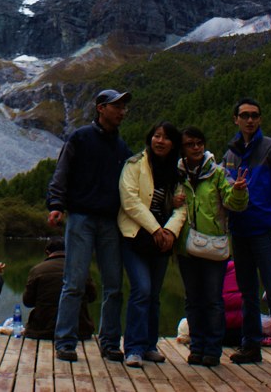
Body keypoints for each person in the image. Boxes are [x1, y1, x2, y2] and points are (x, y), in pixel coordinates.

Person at [47, 88, 133, 363]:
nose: (122, 111)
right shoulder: (80, 138)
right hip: (81, 218)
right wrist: (56, 205)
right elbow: (62, 171)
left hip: (110, 221)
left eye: (124, 107)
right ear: (100, 108)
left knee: (114, 285)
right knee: (74, 283)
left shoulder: (122, 148)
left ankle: (109, 342)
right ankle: (65, 342)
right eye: (116, 106)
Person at [223, 97, 271, 373]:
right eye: (245, 115)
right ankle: (251, 345)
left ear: (260, 119)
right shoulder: (230, 155)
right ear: (236, 119)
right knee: (247, 293)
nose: (250, 120)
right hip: (240, 232)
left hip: (266, 232)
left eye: (254, 115)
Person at [176, 126, 248, 367]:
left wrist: (238, 192)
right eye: (190, 144)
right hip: (186, 247)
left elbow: (233, 203)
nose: (196, 148)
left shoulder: (218, 173)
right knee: (193, 299)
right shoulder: (177, 174)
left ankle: (213, 349)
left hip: (214, 246)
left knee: (213, 300)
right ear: (182, 148)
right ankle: (196, 347)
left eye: (199, 143)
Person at [118, 121, 187, 367]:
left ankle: (149, 345)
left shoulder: (178, 172)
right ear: (150, 138)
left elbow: (182, 207)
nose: (160, 141)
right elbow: (130, 201)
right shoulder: (134, 164)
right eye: (157, 136)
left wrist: (169, 232)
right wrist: (156, 228)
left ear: (173, 143)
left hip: (161, 240)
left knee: (154, 294)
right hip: (136, 236)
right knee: (142, 289)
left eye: (166, 137)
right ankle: (133, 348)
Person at [22, 237, 96, 340]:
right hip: (79, 331)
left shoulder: (37, 270)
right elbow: (92, 297)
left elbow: (28, 302)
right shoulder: (81, 269)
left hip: (42, 330)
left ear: (47, 252)